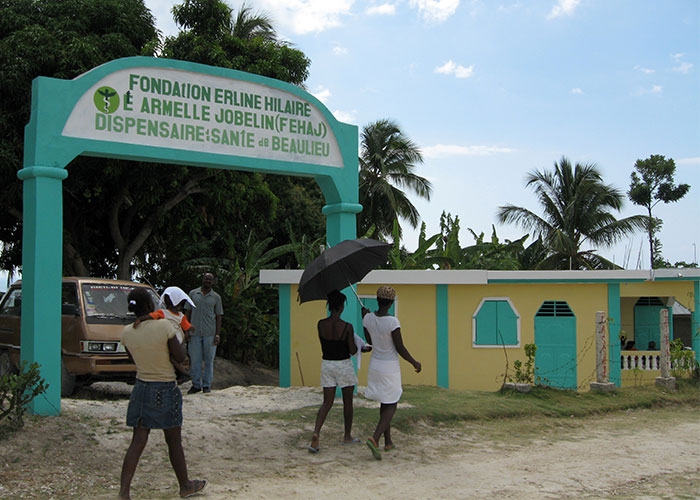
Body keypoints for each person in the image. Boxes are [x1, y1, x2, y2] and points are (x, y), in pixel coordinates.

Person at [118, 288, 206, 500]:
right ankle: (185, 485)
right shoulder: (164, 326)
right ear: (150, 305)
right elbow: (180, 355)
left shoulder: (127, 332)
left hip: (141, 387)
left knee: (138, 440)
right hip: (165, 386)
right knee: (173, 440)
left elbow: (133, 360)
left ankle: (124, 492)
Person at [362, 285, 421, 460]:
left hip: (375, 365)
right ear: (391, 302)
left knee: (384, 401)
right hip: (390, 367)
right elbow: (400, 347)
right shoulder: (393, 322)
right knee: (392, 402)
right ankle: (375, 438)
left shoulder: (367, 318)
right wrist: (414, 362)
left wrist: (364, 316)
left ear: (378, 300)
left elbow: (369, 341)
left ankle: (388, 441)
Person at [308, 290, 359, 453]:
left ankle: (316, 432)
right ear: (342, 306)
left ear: (330, 306)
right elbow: (352, 350)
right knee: (347, 402)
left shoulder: (321, 324)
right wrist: (360, 347)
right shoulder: (347, 327)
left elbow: (325, 344)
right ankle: (347, 435)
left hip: (327, 364)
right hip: (343, 364)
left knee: (327, 402)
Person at [185, 273, 223, 394]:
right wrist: (186, 330)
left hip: (210, 333)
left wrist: (217, 334)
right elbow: (187, 313)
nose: (207, 281)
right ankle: (196, 384)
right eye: (206, 279)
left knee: (209, 361)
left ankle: (207, 385)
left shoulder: (216, 297)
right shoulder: (193, 294)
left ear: (213, 282)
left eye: (210, 280)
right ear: (202, 280)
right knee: (195, 360)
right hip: (194, 332)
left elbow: (218, 317)